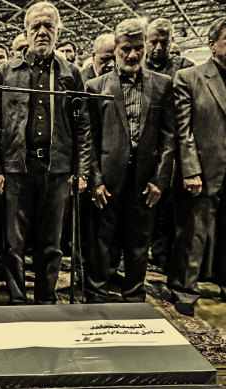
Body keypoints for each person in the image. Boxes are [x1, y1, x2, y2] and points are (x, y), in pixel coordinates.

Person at [0, 1, 92, 305]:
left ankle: (46, 301)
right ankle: (18, 301)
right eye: (36, 26)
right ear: (26, 31)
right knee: (13, 244)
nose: (42, 32)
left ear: (58, 31)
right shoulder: (6, 71)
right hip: (16, 169)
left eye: (49, 26)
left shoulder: (71, 73)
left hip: (57, 170)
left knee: (51, 245)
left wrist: (81, 170)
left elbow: (82, 124)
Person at [85, 19, 175, 303]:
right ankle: (97, 293)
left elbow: (169, 137)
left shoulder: (162, 85)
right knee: (101, 241)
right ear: (116, 49)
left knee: (139, 241)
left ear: (146, 48)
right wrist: (95, 179)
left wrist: (160, 180)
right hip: (108, 179)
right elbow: (89, 139)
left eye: (138, 48)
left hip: (146, 180)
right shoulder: (95, 86)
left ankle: (134, 296)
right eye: (126, 49)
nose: (133, 55)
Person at [169, 17, 226, 316]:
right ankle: (184, 289)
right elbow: (183, 130)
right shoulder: (189, 77)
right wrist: (191, 170)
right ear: (212, 44)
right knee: (193, 232)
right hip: (204, 168)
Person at [143, 18, 195, 272]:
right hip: (145, 144)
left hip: (174, 144)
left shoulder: (184, 68)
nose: (159, 47)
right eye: (154, 41)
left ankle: (163, 255)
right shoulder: (137, 64)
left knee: (169, 204)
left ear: (172, 41)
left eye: (165, 42)